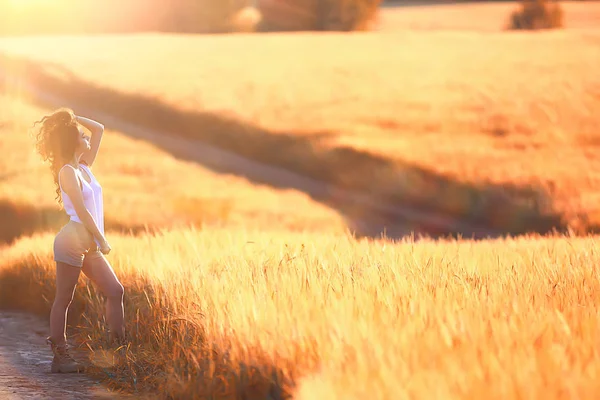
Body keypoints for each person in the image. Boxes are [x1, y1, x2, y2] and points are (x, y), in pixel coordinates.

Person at [33, 108, 125, 373]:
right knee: (64, 298)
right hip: (73, 240)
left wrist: (72, 119)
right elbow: (82, 212)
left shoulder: (84, 168)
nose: (87, 139)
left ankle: (118, 348)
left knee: (115, 291)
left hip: (88, 243)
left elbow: (99, 128)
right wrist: (101, 239)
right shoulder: (67, 172)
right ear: (73, 142)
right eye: (81, 137)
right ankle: (60, 357)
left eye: (84, 137)